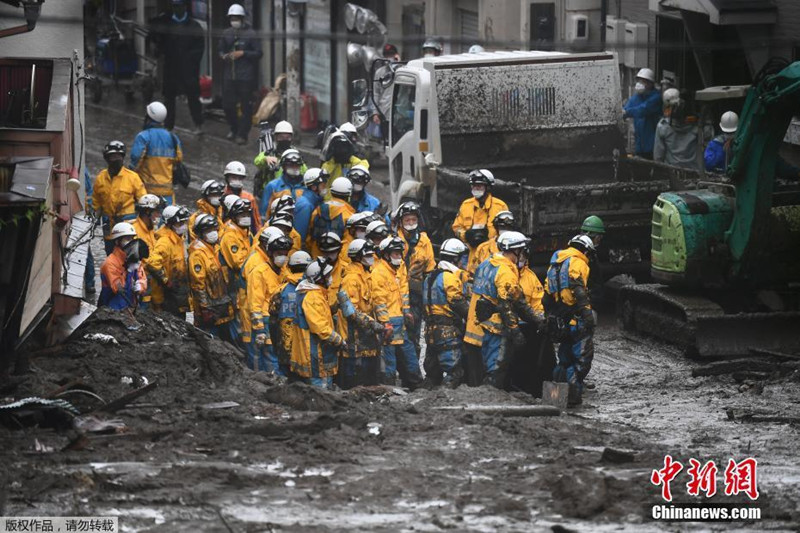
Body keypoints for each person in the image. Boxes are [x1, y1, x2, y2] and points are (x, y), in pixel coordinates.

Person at [472, 231, 530, 388]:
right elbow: (507, 305)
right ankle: (491, 399)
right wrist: (515, 331)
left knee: (487, 365)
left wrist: (536, 319)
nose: (524, 255)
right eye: (523, 250)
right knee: (496, 369)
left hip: (484, 325)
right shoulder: (505, 271)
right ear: (515, 251)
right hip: (498, 328)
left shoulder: (487, 264)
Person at [543, 234, 596, 406]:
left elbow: (546, 298)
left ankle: (555, 397)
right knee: (581, 361)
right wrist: (587, 314)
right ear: (585, 250)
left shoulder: (553, 266)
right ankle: (572, 397)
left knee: (564, 359)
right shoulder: (578, 262)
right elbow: (578, 288)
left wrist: (551, 317)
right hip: (577, 320)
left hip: (561, 321)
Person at [372, 236, 423, 388]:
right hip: (389, 321)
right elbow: (379, 300)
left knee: (409, 353)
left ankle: (416, 383)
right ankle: (390, 385)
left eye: (400, 253)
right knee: (389, 357)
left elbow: (404, 291)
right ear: (386, 254)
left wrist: (407, 312)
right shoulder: (378, 273)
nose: (399, 257)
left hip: (400, 319)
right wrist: (384, 322)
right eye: (395, 253)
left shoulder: (398, 268)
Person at [338, 239, 388, 389]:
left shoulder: (366, 275)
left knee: (370, 373)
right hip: (354, 335)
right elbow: (350, 311)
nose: (371, 257)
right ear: (358, 257)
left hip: (366, 333)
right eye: (368, 255)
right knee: (355, 376)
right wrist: (372, 323)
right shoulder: (351, 279)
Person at [149, 0, 205, 133]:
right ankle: (168, 125)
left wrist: (191, 61)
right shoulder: (167, 25)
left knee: (193, 97)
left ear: (185, 7)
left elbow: (199, 48)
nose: (177, 9)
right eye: (174, 6)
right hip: (171, 67)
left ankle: (198, 124)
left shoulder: (193, 26)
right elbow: (159, 44)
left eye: (179, 6)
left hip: (188, 69)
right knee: (169, 98)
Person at [290, 258, 346, 388]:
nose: (330, 278)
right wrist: (339, 340)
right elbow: (320, 327)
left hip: (315, 351)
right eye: (327, 276)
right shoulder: (313, 297)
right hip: (316, 353)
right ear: (319, 278)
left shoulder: (314, 293)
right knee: (321, 390)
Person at [423, 238, 471, 388]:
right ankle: (447, 402)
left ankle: (423, 403)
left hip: (430, 331)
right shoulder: (450, 278)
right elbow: (458, 304)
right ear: (455, 257)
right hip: (447, 333)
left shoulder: (429, 277)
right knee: (454, 372)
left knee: (432, 374)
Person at [92, 140, 147, 255]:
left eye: (118, 156)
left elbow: (144, 202)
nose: (115, 159)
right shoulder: (100, 178)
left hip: (128, 227)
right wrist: (93, 220)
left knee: (129, 258)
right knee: (111, 256)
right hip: (109, 227)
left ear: (123, 157)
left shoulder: (133, 178)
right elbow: (95, 203)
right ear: (107, 158)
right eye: (112, 156)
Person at [218, 3, 263, 145]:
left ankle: (242, 134)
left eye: (237, 18)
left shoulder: (251, 34)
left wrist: (243, 53)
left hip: (245, 77)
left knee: (245, 107)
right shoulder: (226, 33)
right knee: (227, 105)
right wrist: (223, 56)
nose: (234, 20)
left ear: (242, 18)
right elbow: (220, 49)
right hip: (229, 76)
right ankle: (234, 128)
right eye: (232, 18)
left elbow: (258, 53)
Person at [249, 230, 293, 373]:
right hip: (267, 322)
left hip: (282, 322)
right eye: (279, 253)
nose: (282, 257)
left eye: (285, 254)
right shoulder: (259, 272)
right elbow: (255, 304)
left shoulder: (285, 272)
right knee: (271, 358)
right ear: (270, 253)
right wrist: (260, 329)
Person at [395, 201, 435, 353]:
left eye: (413, 220)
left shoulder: (424, 240)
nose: (411, 223)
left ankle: (414, 361)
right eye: (407, 220)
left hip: (416, 294)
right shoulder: (394, 240)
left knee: (414, 329)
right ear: (400, 222)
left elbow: (430, 268)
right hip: (396, 292)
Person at [188, 214, 236, 339]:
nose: (213, 233)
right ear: (200, 233)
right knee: (211, 340)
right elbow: (198, 284)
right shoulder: (197, 254)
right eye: (208, 231)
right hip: (209, 310)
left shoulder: (214, 249)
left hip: (221, 306)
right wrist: (205, 308)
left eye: (214, 229)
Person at [452, 169, 509, 267]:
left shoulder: (500, 206)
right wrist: (466, 235)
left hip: (493, 257)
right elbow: (456, 227)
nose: (476, 188)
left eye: (479, 186)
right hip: (470, 256)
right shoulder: (466, 205)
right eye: (474, 186)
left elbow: (507, 231)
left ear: (488, 187)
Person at [130, 101, 183, 205]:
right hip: (167, 193)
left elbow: (135, 162)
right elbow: (178, 159)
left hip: (146, 192)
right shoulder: (173, 138)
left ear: (148, 117)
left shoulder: (144, 136)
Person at [269, 250, 312, 375]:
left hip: (284, 344)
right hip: (306, 346)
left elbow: (272, 317)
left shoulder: (280, 290)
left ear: (289, 267)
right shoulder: (315, 290)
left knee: (284, 375)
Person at [219, 197, 253, 350]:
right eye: (241, 215)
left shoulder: (245, 233)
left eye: (247, 214)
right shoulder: (230, 235)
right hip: (233, 285)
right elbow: (238, 263)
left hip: (245, 284)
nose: (245, 218)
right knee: (237, 321)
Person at [147, 205, 191, 317]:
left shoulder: (179, 239)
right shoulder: (165, 242)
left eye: (184, 223)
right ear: (170, 224)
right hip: (166, 295)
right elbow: (152, 263)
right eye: (179, 224)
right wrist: (166, 281)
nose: (183, 226)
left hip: (178, 292)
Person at [98, 223, 147, 311]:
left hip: (131, 306)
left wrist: (141, 285)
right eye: (128, 239)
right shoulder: (110, 263)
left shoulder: (134, 257)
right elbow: (118, 288)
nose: (131, 242)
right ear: (117, 241)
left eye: (132, 239)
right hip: (113, 308)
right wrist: (128, 271)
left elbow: (142, 278)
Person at [307, 177, 355, 258]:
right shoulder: (348, 215)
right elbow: (348, 241)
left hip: (316, 257)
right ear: (349, 194)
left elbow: (310, 236)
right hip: (336, 260)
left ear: (331, 192)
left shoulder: (317, 210)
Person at [653, 88, 700, 170]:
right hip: (694, 172)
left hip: (671, 173)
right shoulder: (697, 125)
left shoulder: (663, 126)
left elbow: (658, 155)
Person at [623, 68, 662, 159]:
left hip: (652, 144)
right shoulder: (637, 97)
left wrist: (627, 112)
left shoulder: (656, 98)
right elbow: (627, 107)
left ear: (650, 83)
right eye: (638, 80)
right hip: (639, 143)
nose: (639, 83)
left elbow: (643, 109)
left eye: (643, 81)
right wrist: (621, 112)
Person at [131, 194, 162, 308]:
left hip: (152, 282)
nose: (159, 215)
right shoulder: (134, 231)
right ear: (147, 212)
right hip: (141, 281)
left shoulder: (151, 229)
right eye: (156, 212)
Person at [260, 149, 307, 218]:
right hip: (278, 225)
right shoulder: (273, 186)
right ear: (283, 166)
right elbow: (264, 214)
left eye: (297, 165)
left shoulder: (306, 186)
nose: (294, 167)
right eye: (291, 165)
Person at [223, 161, 262, 233]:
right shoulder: (221, 196)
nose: (237, 180)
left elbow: (256, 223)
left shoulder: (249, 198)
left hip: (244, 233)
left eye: (239, 178)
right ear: (227, 178)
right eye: (233, 177)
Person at [293, 168, 328, 241]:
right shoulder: (305, 205)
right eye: (322, 185)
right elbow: (299, 235)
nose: (325, 187)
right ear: (314, 187)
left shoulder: (315, 201)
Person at [83, 168, 96, 295]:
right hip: (82, 213)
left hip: (82, 214)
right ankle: (89, 282)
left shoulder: (83, 171)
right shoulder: (84, 170)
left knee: (85, 250)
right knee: (86, 250)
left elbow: (89, 195)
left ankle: (89, 282)